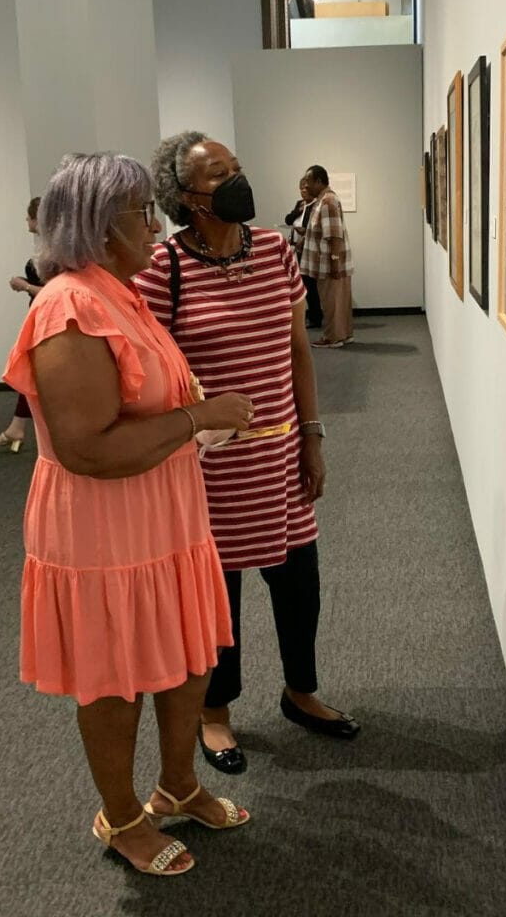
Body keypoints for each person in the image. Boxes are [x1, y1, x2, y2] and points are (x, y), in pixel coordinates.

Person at [2, 152, 252, 876]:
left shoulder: (122, 292)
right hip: (104, 528)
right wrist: (197, 416)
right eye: (143, 213)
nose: (157, 225)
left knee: (184, 654)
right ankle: (120, 817)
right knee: (113, 677)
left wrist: (200, 422)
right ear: (98, 223)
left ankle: (177, 786)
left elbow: (151, 405)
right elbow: (86, 447)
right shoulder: (68, 305)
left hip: (164, 516)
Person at [133, 131, 360, 777]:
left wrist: (312, 435)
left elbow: (297, 350)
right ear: (186, 197)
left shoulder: (274, 251)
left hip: (282, 454)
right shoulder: (164, 268)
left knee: (299, 586)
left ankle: (300, 690)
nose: (238, 181)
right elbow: (153, 374)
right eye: (220, 174)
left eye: (237, 167)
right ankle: (215, 710)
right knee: (216, 598)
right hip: (210, 467)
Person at [0, 197, 44, 453]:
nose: (26, 221)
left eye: (29, 216)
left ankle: (18, 428)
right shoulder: (48, 247)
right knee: (30, 371)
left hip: (45, 316)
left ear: (37, 219)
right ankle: (17, 427)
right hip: (38, 313)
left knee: (32, 371)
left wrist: (25, 286)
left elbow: (57, 291)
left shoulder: (54, 251)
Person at [299, 165, 354, 348]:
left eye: (308, 182)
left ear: (319, 181)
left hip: (329, 265)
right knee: (339, 302)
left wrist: (335, 264)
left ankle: (332, 338)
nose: (305, 186)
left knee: (332, 304)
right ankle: (343, 335)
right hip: (329, 264)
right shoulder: (323, 200)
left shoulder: (327, 202)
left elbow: (334, 237)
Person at [284, 177, 322, 328]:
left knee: (310, 284)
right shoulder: (300, 205)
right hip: (297, 247)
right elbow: (288, 220)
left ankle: (315, 317)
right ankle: (309, 316)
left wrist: (304, 231)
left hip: (309, 248)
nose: (303, 192)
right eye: (301, 189)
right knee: (300, 282)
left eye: (306, 189)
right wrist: (298, 211)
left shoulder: (316, 206)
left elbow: (314, 228)